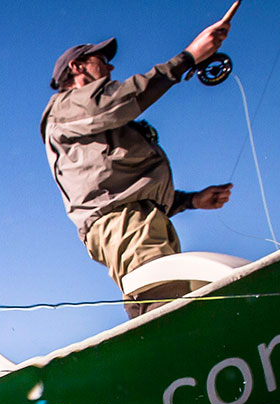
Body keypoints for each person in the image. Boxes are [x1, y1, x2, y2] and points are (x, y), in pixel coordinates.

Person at [40, 17, 236, 318]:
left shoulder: (89, 119)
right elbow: (124, 99)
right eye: (101, 60)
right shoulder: (67, 107)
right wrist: (189, 57)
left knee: (169, 305)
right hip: (125, 223)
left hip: (139, 220)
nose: (110, 68)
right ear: (77, 67)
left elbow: (123, 182)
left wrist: (193, 200)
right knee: (170, 310)